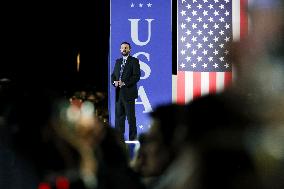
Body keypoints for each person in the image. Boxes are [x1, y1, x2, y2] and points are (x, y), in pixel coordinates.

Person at [111, 41, 141, 141]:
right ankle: (119, 141)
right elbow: (113, 75)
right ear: (120, 50)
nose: (124, 49)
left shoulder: (134, 61)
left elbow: (136, 76)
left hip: (129, 94)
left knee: (131, 119)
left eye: (126, 48)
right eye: (122, 48)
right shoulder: (118, 61)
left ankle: (133, 140)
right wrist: (113, 82)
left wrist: (124, 83)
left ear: (129, 50)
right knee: (119, 119)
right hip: (118, 94)